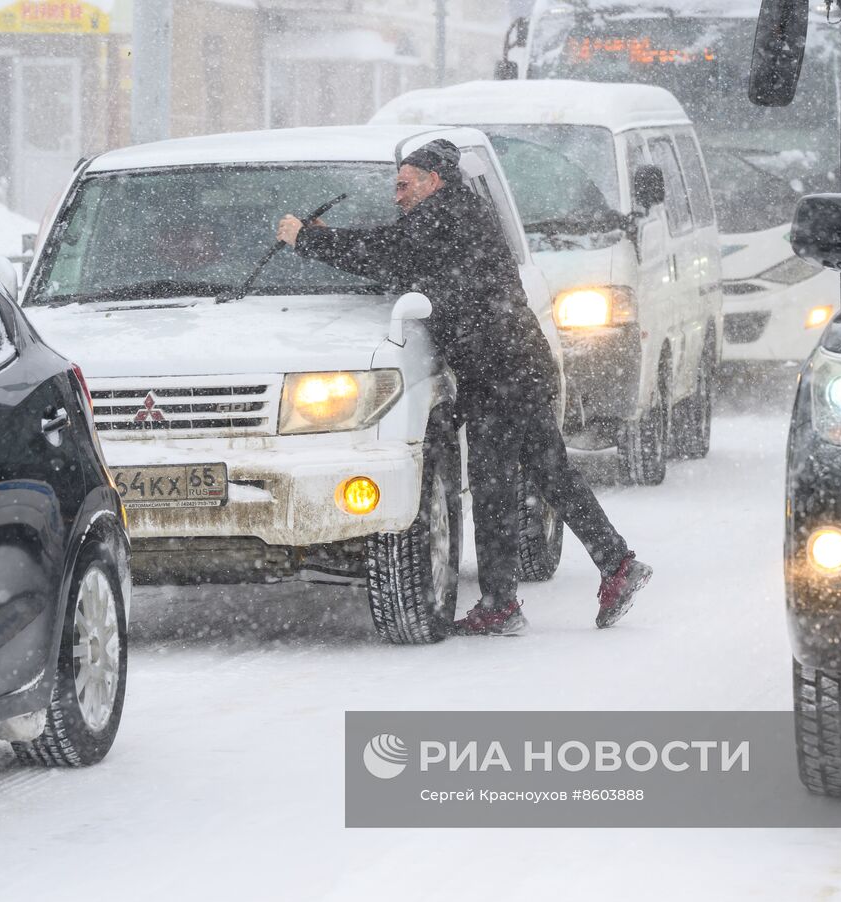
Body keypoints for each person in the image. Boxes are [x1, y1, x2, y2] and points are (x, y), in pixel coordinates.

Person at [276, 139, 652, 635]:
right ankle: (615, 563)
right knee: (550, 472)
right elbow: (397, 245)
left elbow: (386, 251)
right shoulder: (457, 212)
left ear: (435, 181)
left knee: (496, 486)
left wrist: (308, 239)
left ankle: (502, 603)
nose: (398, 195)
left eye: (404, 184)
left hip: (499, 372)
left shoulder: (443, 214)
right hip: (514, 364)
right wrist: (331, 235)